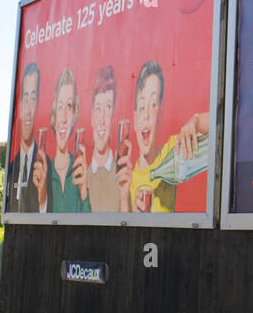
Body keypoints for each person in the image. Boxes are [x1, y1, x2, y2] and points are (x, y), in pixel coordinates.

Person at [117, 60, 208, 213]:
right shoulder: (127, 177)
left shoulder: (173, 151)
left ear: (161, 112)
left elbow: (219, 130)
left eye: (153, 105)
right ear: (134, 119)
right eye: (141, 107)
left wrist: (196, 121)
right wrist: (125, 202)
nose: (146, 115)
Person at [46, 67, 89, 213]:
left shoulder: (79, 170)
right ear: (53, 116)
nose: (64, 118)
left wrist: (84, 191)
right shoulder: (45, 172)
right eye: (60, 107)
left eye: (69, 107)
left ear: (74, 116)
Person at [6, 63, 47, 212]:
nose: (29, 109)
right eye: (25, 98)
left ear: (38, 104)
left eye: (33, 98)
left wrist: (43, 198)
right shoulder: (12, 167)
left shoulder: (46, 167)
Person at [86, 66, 119, 212]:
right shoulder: (81, 178)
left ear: (113, 116)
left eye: (108, 108)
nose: (102, 120)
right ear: (92, 116)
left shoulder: (123, 176)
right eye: (98, 109)